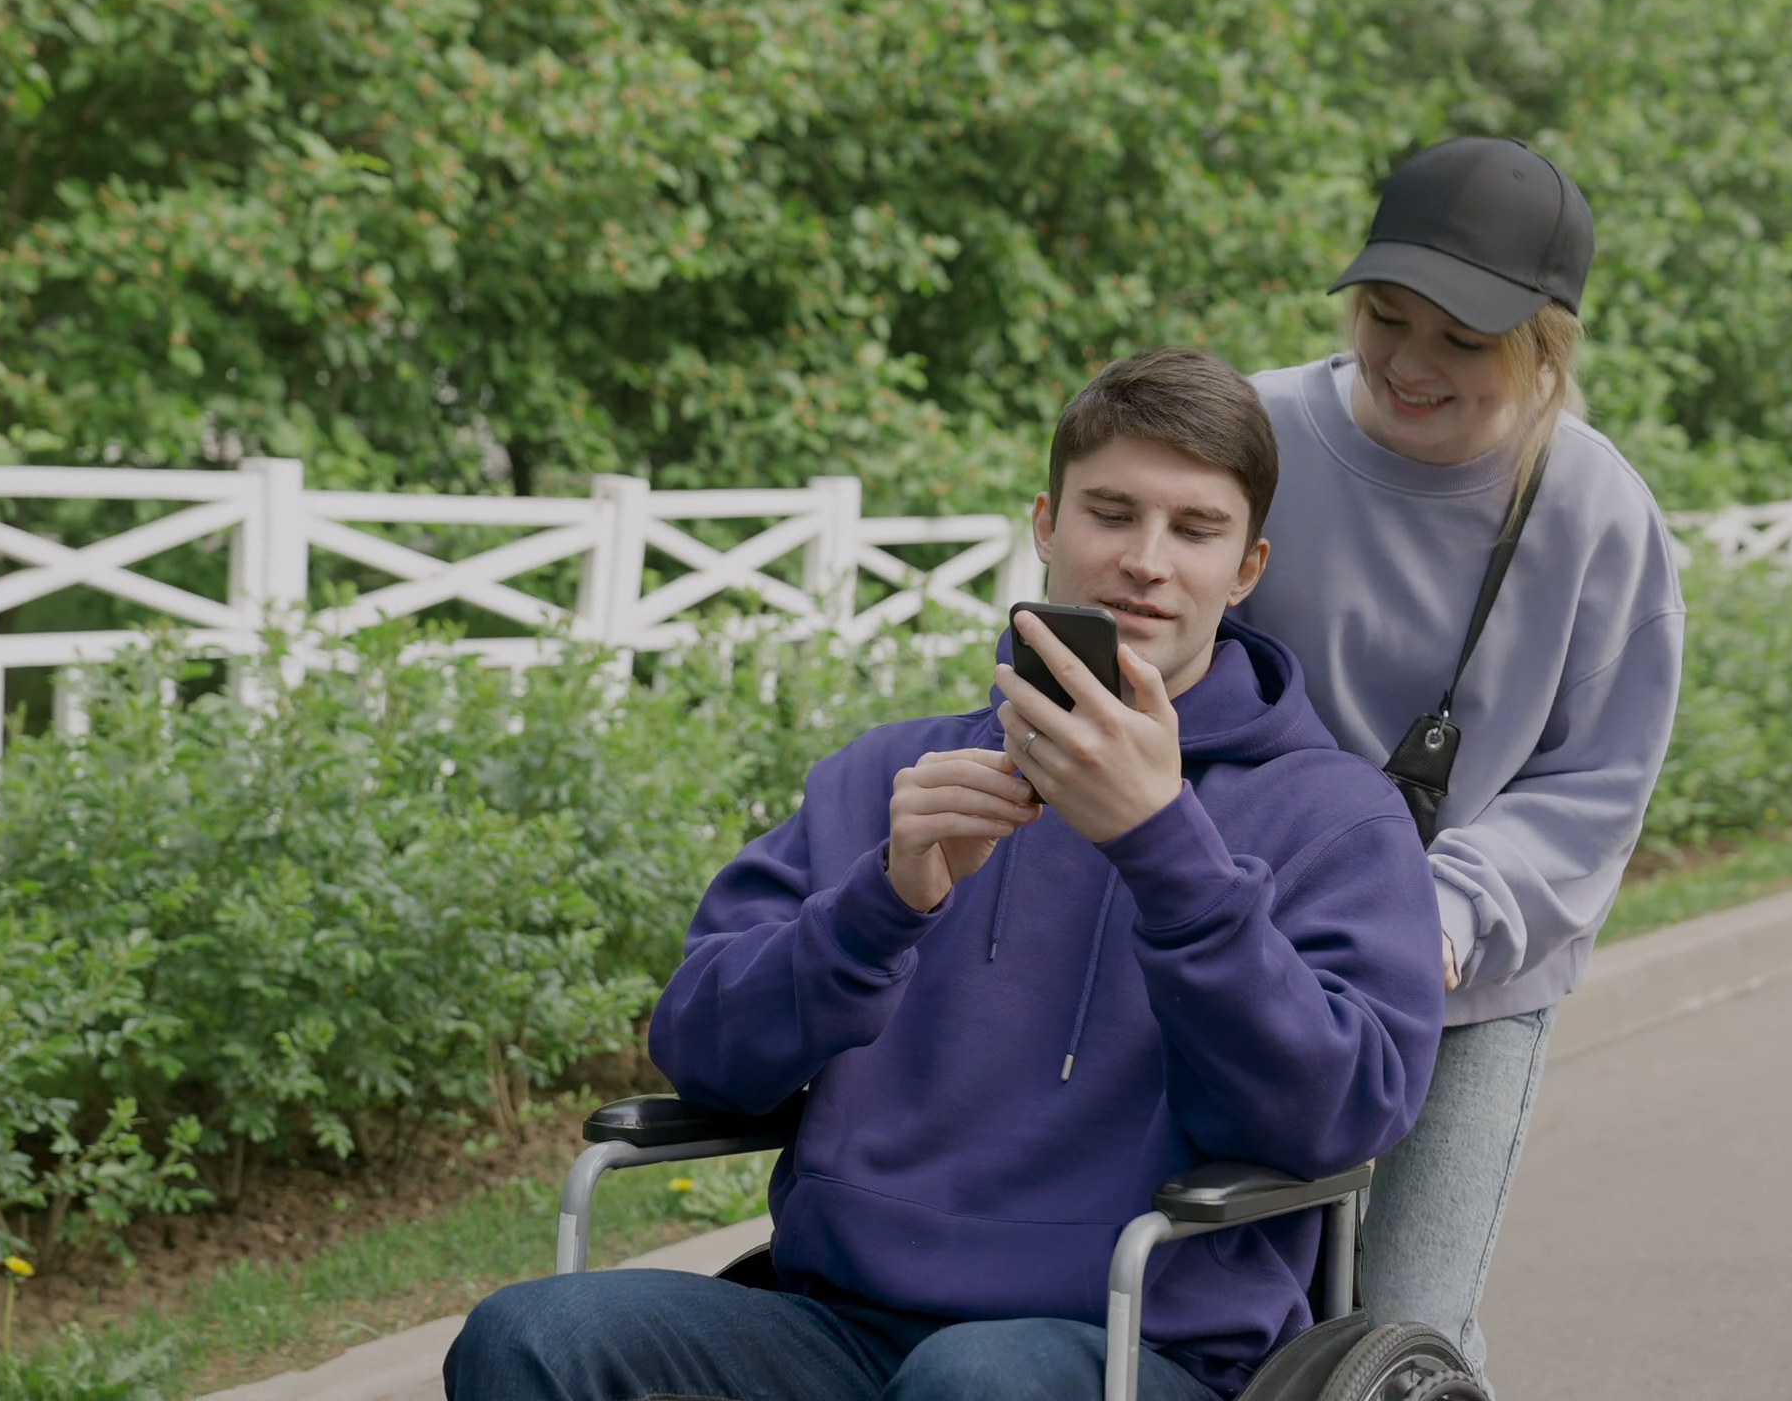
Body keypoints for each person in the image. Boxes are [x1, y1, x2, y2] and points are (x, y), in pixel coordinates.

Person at [444, 348, 1446, 1400]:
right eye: (1110, 513)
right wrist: (881, 905)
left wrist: (1165, 847)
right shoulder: (890, 777)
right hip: (837, 1325)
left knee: (975, 1380)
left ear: (1246, 568)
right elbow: (702, 1049)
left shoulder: (1335, 815)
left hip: (1138, 1347)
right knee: (530, 1338)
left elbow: (1338, 1118)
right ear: (1045, 527)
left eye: (1195, 529)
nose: (1147, 561)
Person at [1234, 137, 1687, 1382]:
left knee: (1406, 1317)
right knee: (1227, 1292)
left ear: (1545, 344)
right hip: (1238, 941)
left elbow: (1593, 785)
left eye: (1461, 341)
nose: (1409, 365)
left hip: (1463, 973)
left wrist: (1444, 913)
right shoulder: (1257, 434)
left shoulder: (1595, 511)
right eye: (1386, 319)